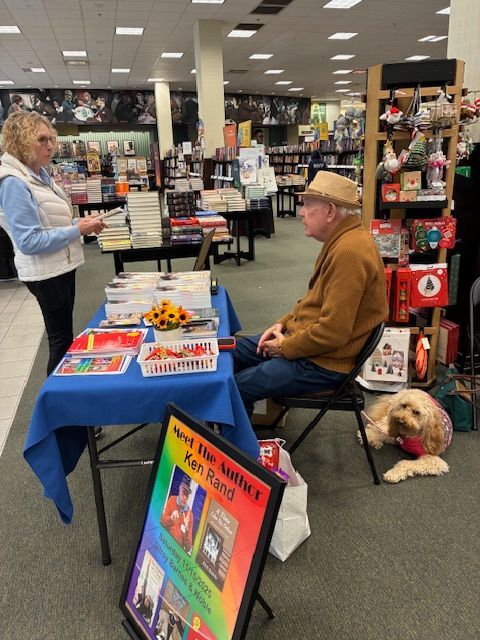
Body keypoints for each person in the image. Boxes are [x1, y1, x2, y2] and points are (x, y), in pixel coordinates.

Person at [233, 171, 388, 415]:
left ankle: (235, 447)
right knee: (234, 350)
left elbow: (333, 332)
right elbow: (313, 303)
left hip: (326, 363)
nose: (301, 212)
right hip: (314, 348)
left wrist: (286, 347)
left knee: (237, 387)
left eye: (307, 205)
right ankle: (239, 427)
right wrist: (282, 325)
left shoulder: (349, 252)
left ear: (330, 211)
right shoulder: (343, 240)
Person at [0, 111, 106, 375]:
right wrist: (76, 229)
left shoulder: (38, 175)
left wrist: (81, 226)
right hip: (45, 272)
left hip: (58, 265)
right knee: (60, 343)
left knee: (64, 339)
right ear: (20, 141)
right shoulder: (14, 182)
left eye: (52, 139)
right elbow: (29, 241)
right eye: (41, 139)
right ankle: (61, 410)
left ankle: (67, 401)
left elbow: (50, 225)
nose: (50, 146)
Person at [160, 475, 194, 554]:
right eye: (183, 493)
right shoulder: (172, 499)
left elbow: (188, 547)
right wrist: (171, 518)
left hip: (176, 552)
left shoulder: (190, 515)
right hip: (165, 543)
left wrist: (186, 529)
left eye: (187, 495)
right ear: (179, 490)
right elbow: (162, 522)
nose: (185, 497)